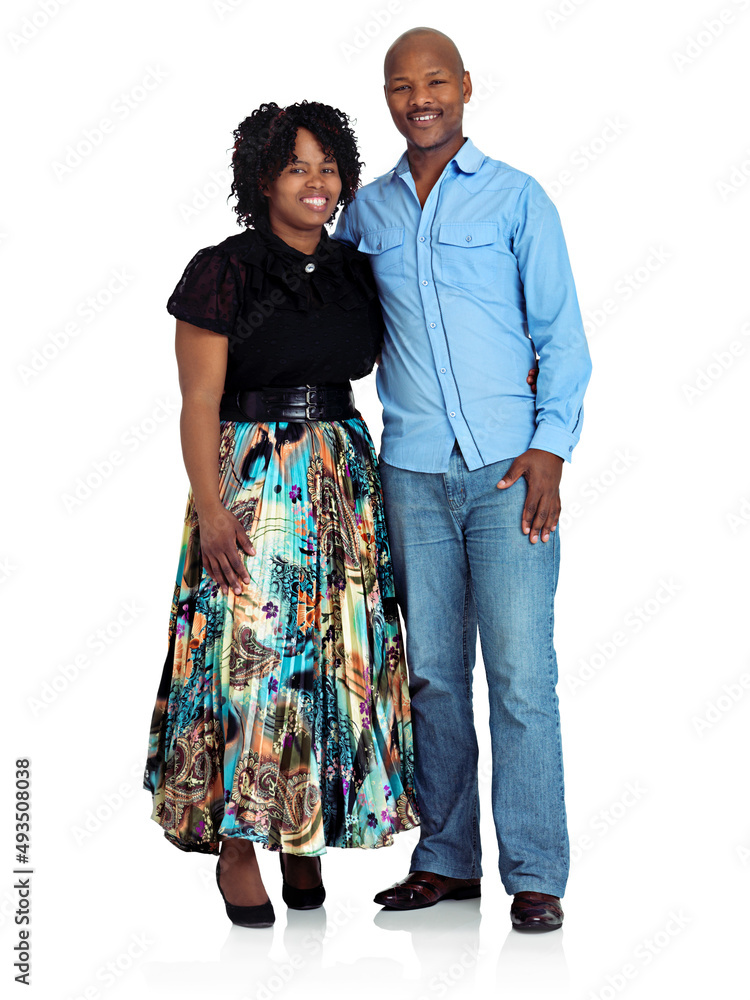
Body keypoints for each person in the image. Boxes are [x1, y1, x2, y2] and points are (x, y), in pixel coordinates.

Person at [333, 28, 593, 932]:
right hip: (409, 475)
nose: (419, 98)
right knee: (435, 676)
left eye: (435, 80)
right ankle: (446, 860)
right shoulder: (366, 214)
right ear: (389, 100)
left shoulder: (520, 201)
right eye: (401, 86)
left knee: (522, 676)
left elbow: (562, 338)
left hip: (508, 474)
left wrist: (551, 449)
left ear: (466, 87)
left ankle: (535, 873)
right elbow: (320, 293)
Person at [142, 101, 420, 928]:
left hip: (342, 475)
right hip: (253, 483)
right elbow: (197, 402)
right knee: (249, 663)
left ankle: (300, 833)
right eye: (296, 166)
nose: (315, 181)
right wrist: (211, 506)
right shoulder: (224, 269)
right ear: (263, 178)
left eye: (328, 166)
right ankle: (235, 843)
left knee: (335, 659)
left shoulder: (352, 268)